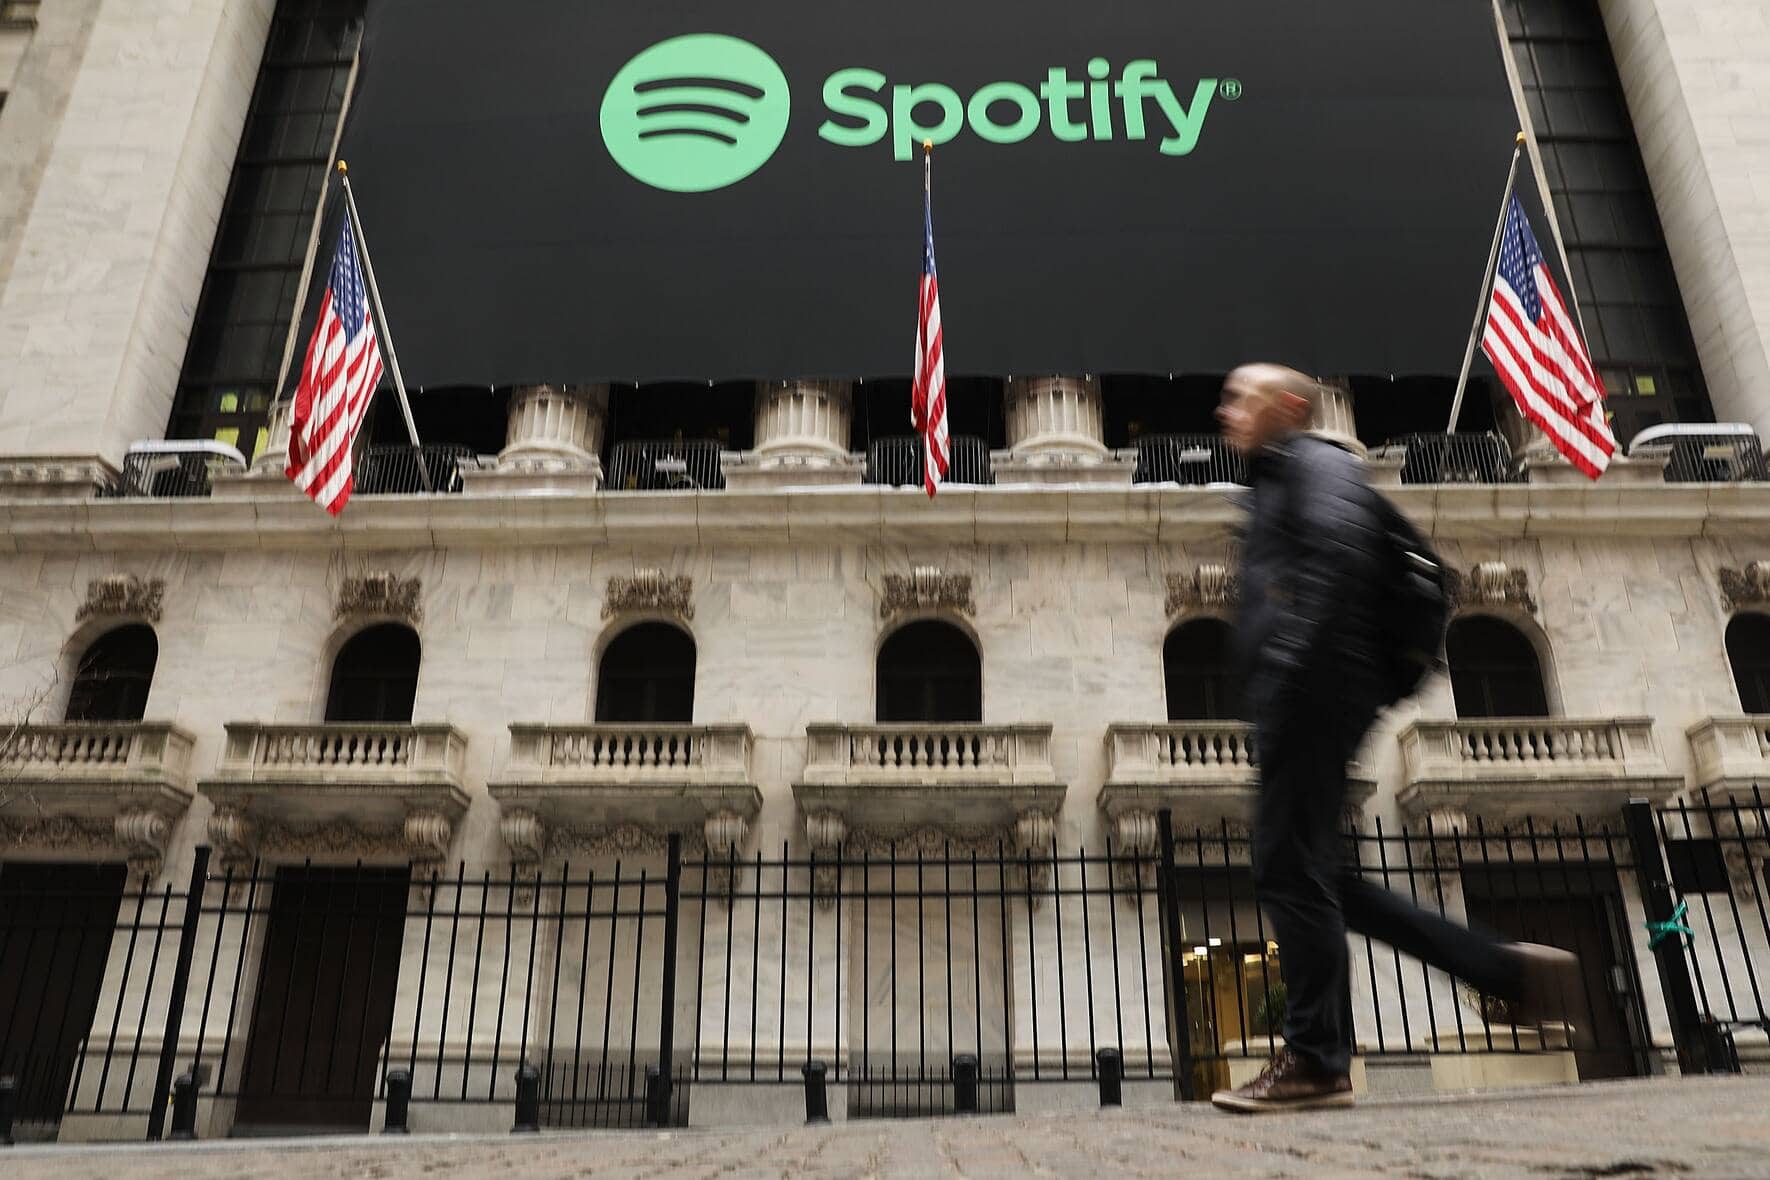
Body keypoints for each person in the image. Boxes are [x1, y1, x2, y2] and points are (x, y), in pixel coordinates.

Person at [1210, 363, 1580, 1114]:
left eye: (1241, 398)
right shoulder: (1278, 479)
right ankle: (1504, 971)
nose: (1226, 412)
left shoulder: (1316, 464)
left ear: (1288, 406)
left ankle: (1316, 1060)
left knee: (1287, 871)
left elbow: (1337, 563)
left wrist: (1287, 674)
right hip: (1314, 691)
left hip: (1313, 692)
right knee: (1320, 879)